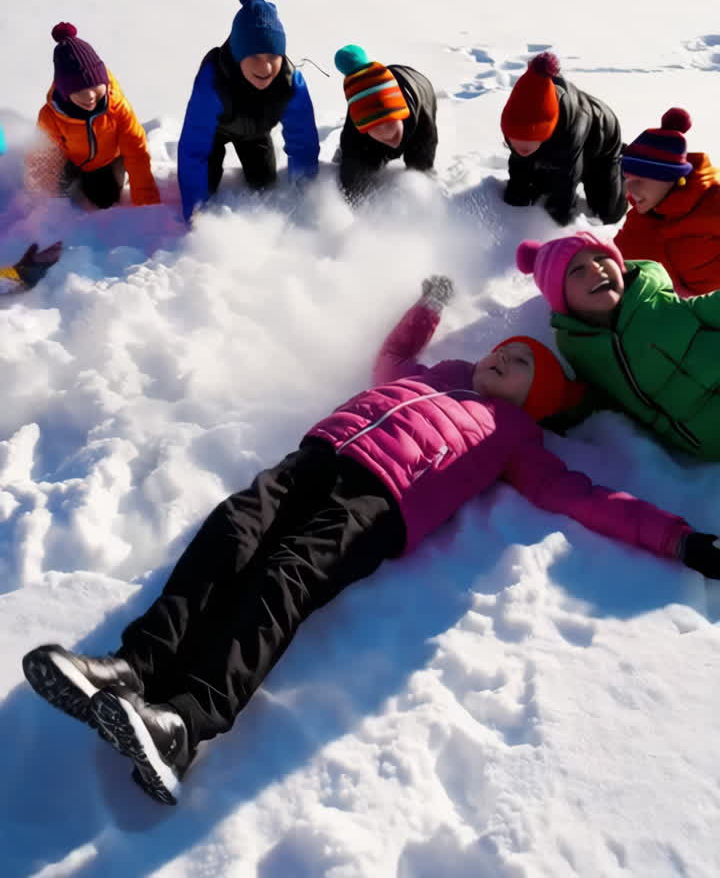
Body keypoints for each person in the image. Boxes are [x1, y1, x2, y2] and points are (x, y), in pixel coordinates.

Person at [22, 276, 720, 807]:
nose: (497, 361)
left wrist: (679, 541)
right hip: (319, 455)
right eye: (501, 352)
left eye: (517, 365)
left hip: (381, 501)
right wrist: (429, 308)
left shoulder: (517, 438)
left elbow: (585, 498)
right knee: (233, 529)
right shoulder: (431, 377)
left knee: (284, 578)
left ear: (533, 398)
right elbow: (394, 352)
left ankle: (184, 722)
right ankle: (133, 667)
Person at [517, 230, 720, 462]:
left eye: (601, 259)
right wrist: (559, 412)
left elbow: (710, 308)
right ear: (562, 299)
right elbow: (595, 396)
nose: (596, 269)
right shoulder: (579, 349)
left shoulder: (657, 301)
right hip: (707, 438)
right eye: (577, 270)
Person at [177, 0, 319, 222]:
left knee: (263, 182)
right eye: (254, 56)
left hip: (255, 134)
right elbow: (194, 144)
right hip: (215, 134)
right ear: (238, 53)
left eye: (273, 56)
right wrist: (194, 204)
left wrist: (305, 185)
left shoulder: (289, 81)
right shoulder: (214, 79)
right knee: (206, 184)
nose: (265, 67)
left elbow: (302, 135)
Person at [25, 24, 160, 210]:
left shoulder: (116, 106)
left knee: (105, 199)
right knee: (55, 191)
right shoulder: (51, 116)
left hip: (106, 160)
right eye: (79, 90)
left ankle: (99, 180)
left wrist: (146, 202)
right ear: (65, 92)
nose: (89, 96)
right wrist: (44, 206)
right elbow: (43, 158)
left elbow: (136, 150)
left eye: (95, 87)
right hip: (71, 160)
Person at [501, 52, 625, 227]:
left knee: (609, 213)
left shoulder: (571, 128)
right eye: (514, 141)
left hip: (601, 147)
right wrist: (514, 196)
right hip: (557, 147)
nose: (520, 147)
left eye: (528, 142)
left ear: (545, 133)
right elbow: (518, 164)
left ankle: (622, 162)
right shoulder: (516, 118)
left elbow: (567, 182)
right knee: (539, 185)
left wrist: (555, 227)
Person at [616, 108, 720, 296]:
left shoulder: (713, 202)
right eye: (626, 179)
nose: (629, 190)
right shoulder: (642, 219)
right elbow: (618, 264)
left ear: (671, 177)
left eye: (639, 180)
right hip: (680, 314)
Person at [334, 45, 437, 201]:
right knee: (364, 160)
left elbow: (423, 163)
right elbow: (351, 158)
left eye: (390, 122)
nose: (386, 132)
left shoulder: (423, 122)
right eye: (374, 127)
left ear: (402, 113)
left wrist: (419, 184)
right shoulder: (355, 127)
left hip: (419, 86)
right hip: (377, 95)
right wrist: (353, 196)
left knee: (418, 160)